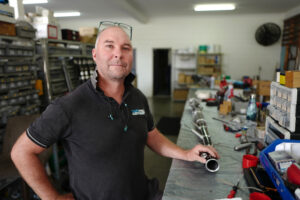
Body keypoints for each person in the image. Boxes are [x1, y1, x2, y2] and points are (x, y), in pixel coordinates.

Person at [11, 21, 219, 200]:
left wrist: (186, 154)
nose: (118, 54)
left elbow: (151, 135)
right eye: (109, 46)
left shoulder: (137, 98)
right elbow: (21, 151)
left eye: (125, 48)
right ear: (94, 55)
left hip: (143, 194)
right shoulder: (69, 106)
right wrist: (52, 197)